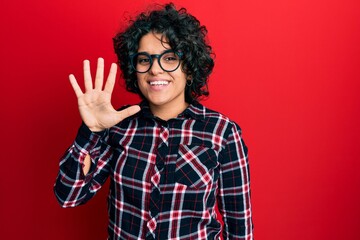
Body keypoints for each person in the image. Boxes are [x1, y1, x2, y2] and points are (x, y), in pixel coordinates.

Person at [54, 3, 253, 239]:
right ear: (134, 69)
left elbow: (239, 226)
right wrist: (91, 131)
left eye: (169, 58)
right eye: (144, 60)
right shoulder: (117, 126)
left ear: (189, 68)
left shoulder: (222, 132)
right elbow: (68, 197)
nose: (155, 70)